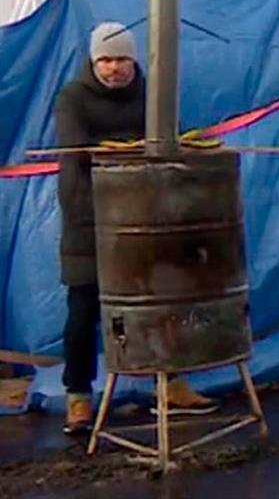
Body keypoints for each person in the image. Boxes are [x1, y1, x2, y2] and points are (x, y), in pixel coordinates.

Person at [54, 22, 216, 434]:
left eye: (121, 59)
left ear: (134, 60)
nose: (113, 68)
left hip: (147, 218)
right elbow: (77, 158)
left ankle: (171, 384)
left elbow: (170, 144)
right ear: (94, 62)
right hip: (88, 221)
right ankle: (78, 398)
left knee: (162, 307)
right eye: (105, 60)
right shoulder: (73, 99)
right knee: (83, 311)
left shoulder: (152, 96)